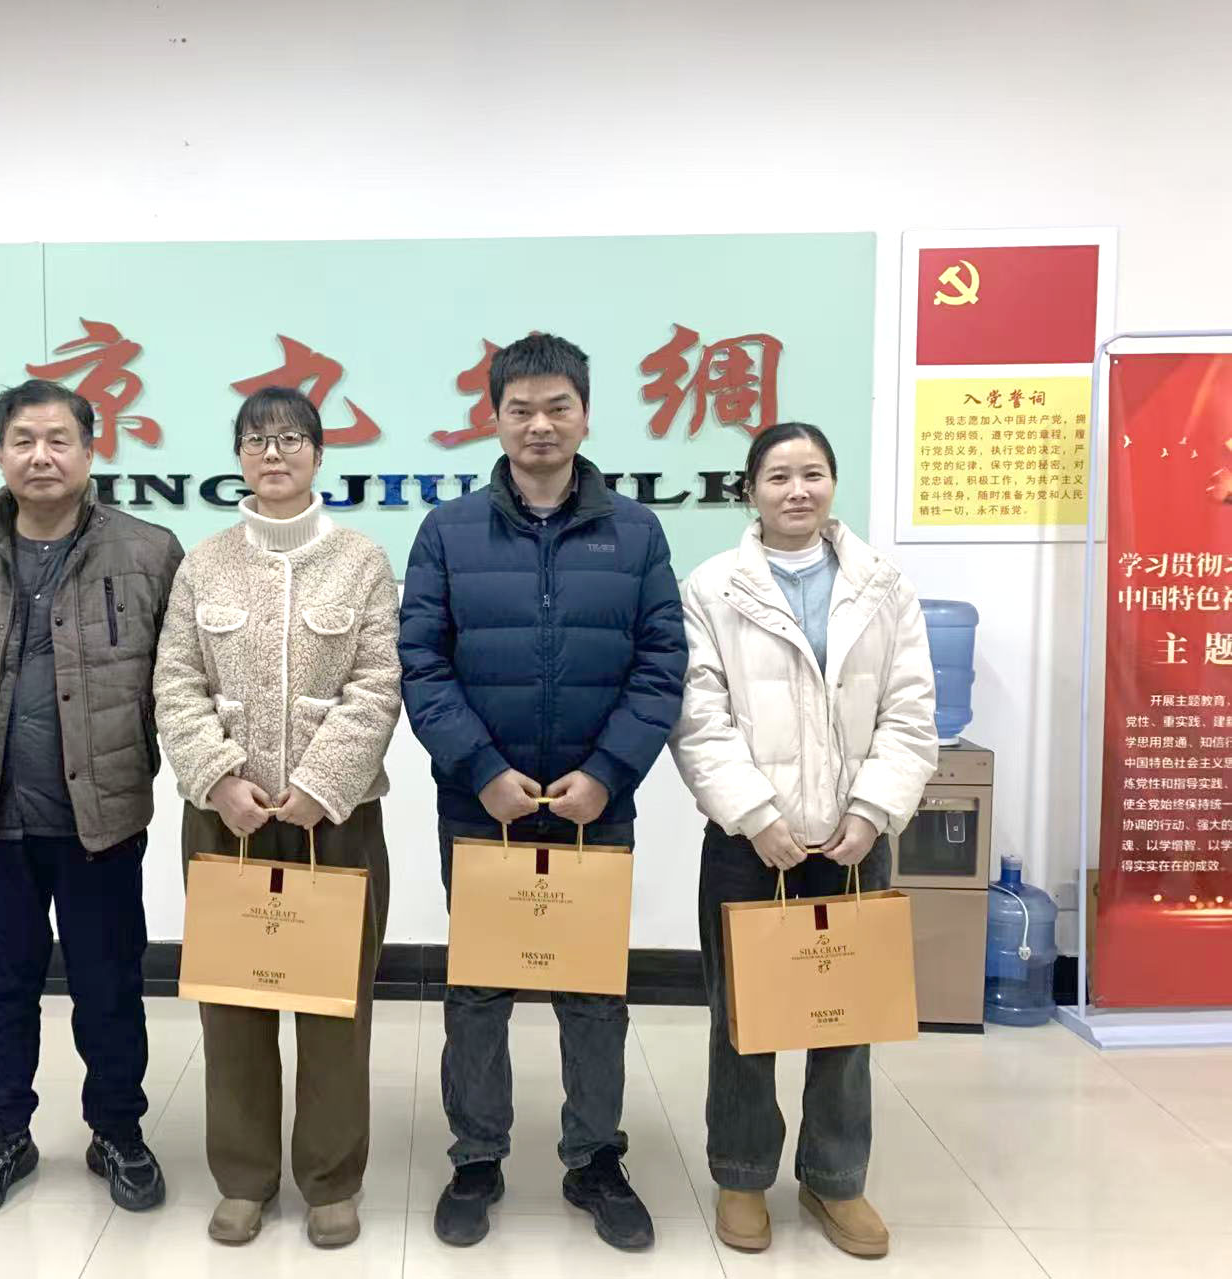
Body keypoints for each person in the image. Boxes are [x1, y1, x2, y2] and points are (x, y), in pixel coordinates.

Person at [398, 333, 687, 1251]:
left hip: (595, 806)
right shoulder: (448, 531)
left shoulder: (636, 532)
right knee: (480, 985)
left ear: (586, 415)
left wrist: (607, 774)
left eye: (558, 406)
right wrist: (481, 770)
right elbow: (420, 662)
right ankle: (477, 1155)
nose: (539, 424)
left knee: (592, 988)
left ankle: (594, 1156)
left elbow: (662, 664)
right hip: (481, 805)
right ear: (494, 418)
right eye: (520, 408)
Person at [0, 378, 183, 1224]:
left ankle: (118, 1131)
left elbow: (172, 681)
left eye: (59, 439)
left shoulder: (148, 552)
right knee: (0, 983)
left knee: (110, 981)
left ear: (91, 450)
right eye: (23, 440)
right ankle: (4, 1135)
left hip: (100, 814)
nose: (41, 456)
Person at [671, 421, 936, 1260]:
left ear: (832, 484)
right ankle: (742, 1173)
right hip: (751, 843)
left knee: (846, 1017)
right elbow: (698, 717)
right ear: (749, 489)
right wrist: (756, 814)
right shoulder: (711, 589)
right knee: (743, 1018)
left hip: (855, 839)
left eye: (813, 473)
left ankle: (835, 1177)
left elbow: (910, 709)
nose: (797, 490)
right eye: (779, 475)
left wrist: (873, 810)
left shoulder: (882, 585)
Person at [153, 386, 401, 1249]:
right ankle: (244, 1177)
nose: (274, 453)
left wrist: (324, 784)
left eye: (291, 438)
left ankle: (331, 1179)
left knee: (335, 1006)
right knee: (233, 1004)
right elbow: (175, 681)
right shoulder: (203, 563)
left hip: (337, 819)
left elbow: (379, 684)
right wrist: (219, 778)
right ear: (239, 457)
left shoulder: (361, 560)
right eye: (257, 440)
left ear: (319, 454)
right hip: (228, 820)